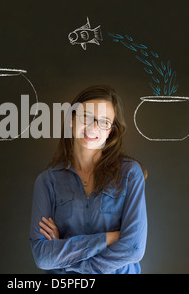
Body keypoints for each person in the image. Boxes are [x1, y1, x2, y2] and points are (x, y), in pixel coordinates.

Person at [29, 85, 147, 274]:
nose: (93, 127)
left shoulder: (130, 173)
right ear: (71, 119)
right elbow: (43, 257)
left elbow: (133, 249)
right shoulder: (47, 181)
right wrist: (108, 238)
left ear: (110, 131)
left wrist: (67, 257)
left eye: (104, 121)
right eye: (87, 117)